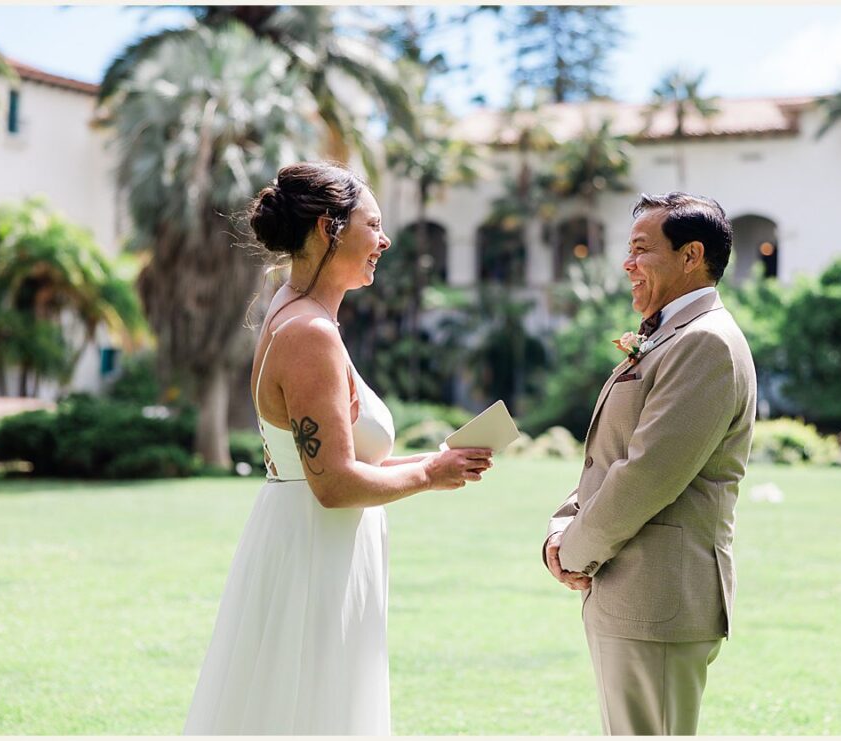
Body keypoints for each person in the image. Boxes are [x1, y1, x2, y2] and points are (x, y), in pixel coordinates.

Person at [184, 162, 493, 734]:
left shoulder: (296, 311)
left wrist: (438, 462)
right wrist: (429, 476)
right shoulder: (309, 334)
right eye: (373, 225)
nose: (385, 240)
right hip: (314, 556)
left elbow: (336, 464)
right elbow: (333, 485)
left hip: (312, 540)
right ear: (330, 227)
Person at [544, 192, 757, 735]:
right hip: (629, 593)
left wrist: (573, 551)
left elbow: (646, 475)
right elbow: (609, 456)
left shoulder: (705, 343)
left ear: (691, 256)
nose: (627, 263)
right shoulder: (668, 337)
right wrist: (560, 529)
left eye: (641, 248)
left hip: (659, 600)